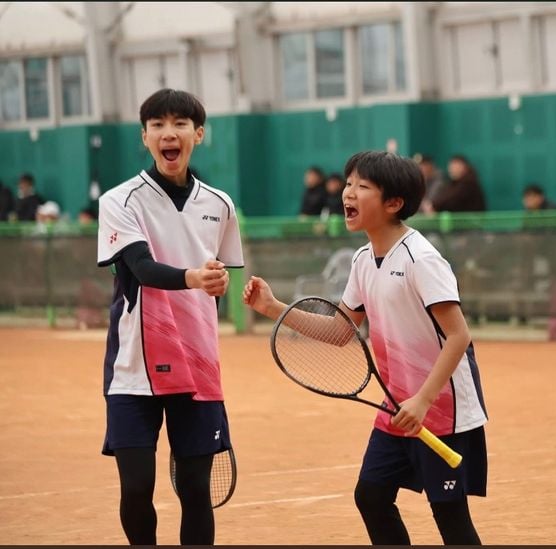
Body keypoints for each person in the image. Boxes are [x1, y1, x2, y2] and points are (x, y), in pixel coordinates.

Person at [243, 151, 487, 545]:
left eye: (363, 187)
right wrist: (273, 308)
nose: (348, 193)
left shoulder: (421, 259)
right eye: (349, 183)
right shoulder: (361, 260)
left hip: (441, 410)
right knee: (371, 497)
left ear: (394, 203)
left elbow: (459, 336)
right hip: (396, 407)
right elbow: (341, 331)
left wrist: (423, 400)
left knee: (450, 517)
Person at [96, 88, 244, 545]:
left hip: (198, 367)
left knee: (196, 490)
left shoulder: (219, 205)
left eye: (180, 123)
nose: (169, 133)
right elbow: (140, 268)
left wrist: (219, 284)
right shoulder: (120, 201)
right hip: (134, 368)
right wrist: (196, 278)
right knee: (137, 487)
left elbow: (219, 278)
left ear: (198, 134)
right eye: (157, 125)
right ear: (144, 137)